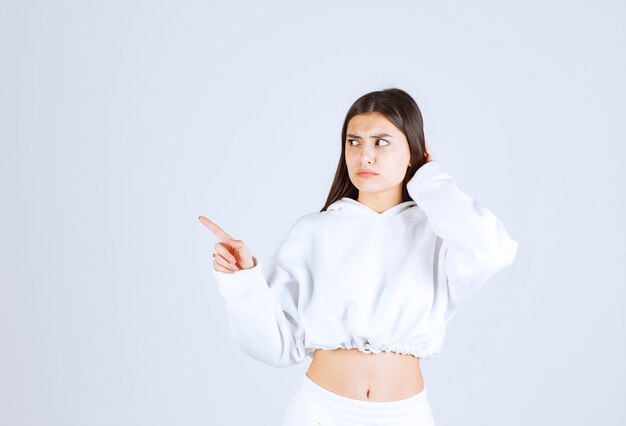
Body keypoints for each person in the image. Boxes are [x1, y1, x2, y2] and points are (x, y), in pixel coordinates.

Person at [198, 88, 519, 425]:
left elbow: (492, 250)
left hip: (404, 414)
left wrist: (431, 180)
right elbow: (275, 346)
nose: (365, 156)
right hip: (320, 411)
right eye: (354, 142)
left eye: (381, 142)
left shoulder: (440, 235)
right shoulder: (313, 232)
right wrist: (244, 280)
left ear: (413, 151)